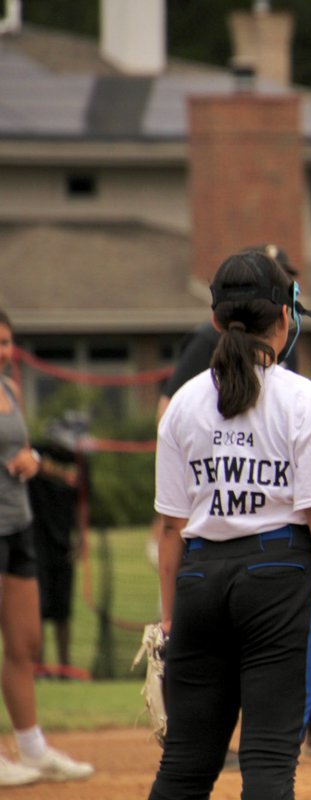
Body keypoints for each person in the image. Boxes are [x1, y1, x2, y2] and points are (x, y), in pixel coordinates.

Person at [149, 250, 311, 798]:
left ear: (217, 320)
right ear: (285, 318)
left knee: (184, 767)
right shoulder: (304, 400)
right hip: (277, 577)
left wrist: (171, 617)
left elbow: (172, 525)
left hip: (198, 580)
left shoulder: (182, 404)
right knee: (268, 762)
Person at [0, 309, 95, 786]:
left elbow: (26, 448)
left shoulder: (11, 391)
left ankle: (33, 748)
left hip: (19, 526)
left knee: (25, 642)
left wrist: (33, 459)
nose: (3, 351)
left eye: (6, 342)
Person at [28, 414, 90, 681]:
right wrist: (59, 472)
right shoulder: (39, 451)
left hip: (64, 539)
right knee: (39, 606)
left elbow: (83, 501)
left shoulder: (80, 462)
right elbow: (27, 462)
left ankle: (64, 668)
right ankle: (39, 667)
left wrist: (82, 536)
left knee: (63, 608)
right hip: (37, 539)